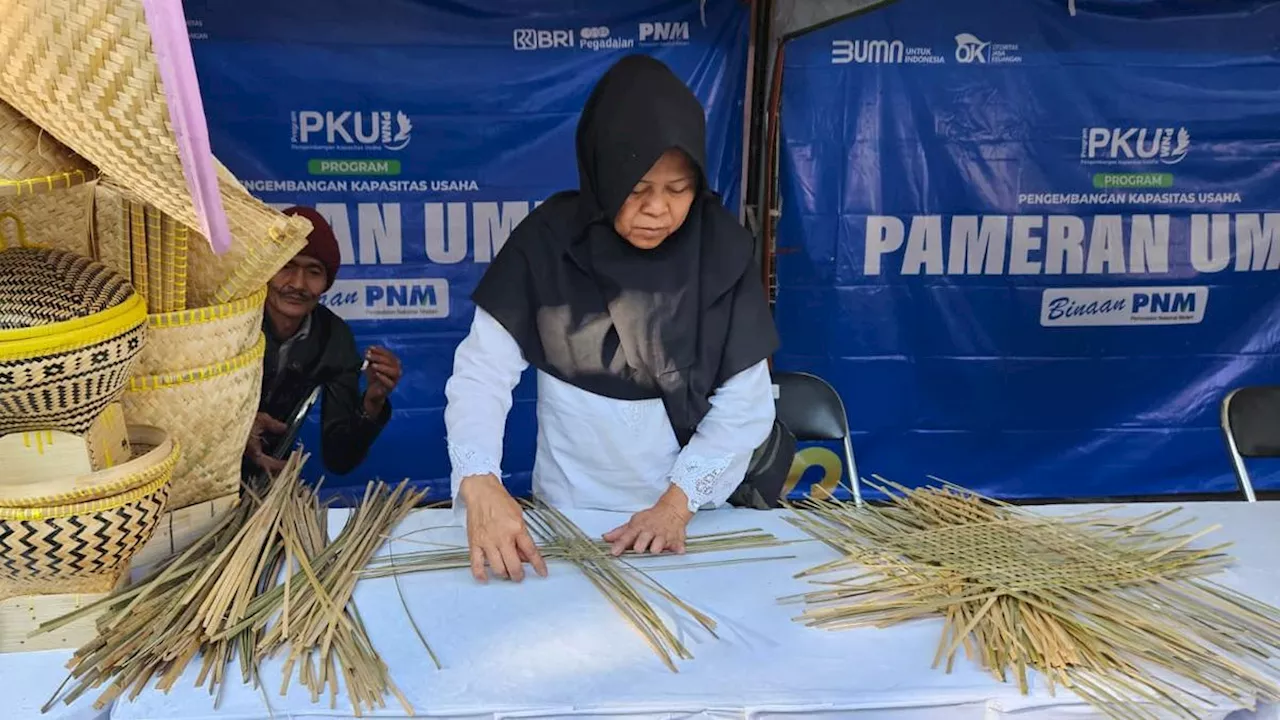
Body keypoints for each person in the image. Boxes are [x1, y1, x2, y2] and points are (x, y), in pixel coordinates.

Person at [444, 55, 780, 584]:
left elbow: (746, 404)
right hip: (567, 519)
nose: (658, 210)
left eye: (678, 189)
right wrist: (480, 479)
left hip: (687, 525)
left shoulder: (721, 252)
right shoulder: (548, 243)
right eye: (638, 187)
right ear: (602, 173)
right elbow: (482, 375)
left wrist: (676, 506)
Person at [243, 206, 403, 476]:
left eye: (314, 272)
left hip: (265, 482)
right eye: (286, 266)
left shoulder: (334, 338)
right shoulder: (231, 322)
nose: (298, 284)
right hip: (199, 475)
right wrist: (239, 430)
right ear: (266, 270)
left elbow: (339, 457)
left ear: (327, 282)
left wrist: (371, 404)